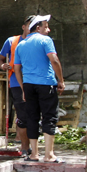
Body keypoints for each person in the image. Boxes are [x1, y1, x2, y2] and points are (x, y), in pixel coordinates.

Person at [13, 15, 65, 162]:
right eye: (46, 26)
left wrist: (23, 88)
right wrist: (60, 80)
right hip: (46, 83)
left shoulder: (21, 45)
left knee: (32, 118)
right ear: (38, 28)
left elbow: (17, 69)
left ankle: (34, 154)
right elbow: (54, 60)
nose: (48, 30)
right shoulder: (46, 40)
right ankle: (49, 154)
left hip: (29, 85)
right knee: (49, 117)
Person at [0, 16, 35, 156]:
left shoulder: (38, 41)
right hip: (16, 82)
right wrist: (3, 65)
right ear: (23, 27)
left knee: (35, 114)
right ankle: (25, 147)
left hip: (35, 80)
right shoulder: (12, 41)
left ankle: (34, 147)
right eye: (29, 26)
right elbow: (0, 59)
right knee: (23, 114)